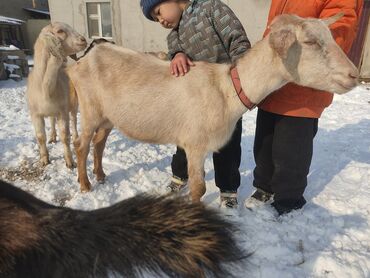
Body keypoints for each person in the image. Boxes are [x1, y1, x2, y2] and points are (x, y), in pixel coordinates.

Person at [245, 0, 364, 215]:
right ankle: (264, 187)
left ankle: (288, 201)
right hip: (273, 84)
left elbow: (340, 27)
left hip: (303, 91)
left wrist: (309, 47)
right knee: (264, 144)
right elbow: (275, 27)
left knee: (291, 151)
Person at [140, 0, 250, 209]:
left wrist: (241, 77)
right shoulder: (175, 31)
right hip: (194, 100)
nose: (160, 20)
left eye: (158, 12)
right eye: (155, 19)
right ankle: (180, 175)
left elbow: (237, 40)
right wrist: (178, 55)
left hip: (226, 95)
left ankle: (228, 189)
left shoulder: (211, 8)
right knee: (185, 140)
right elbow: (174, 50)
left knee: (227, 144)